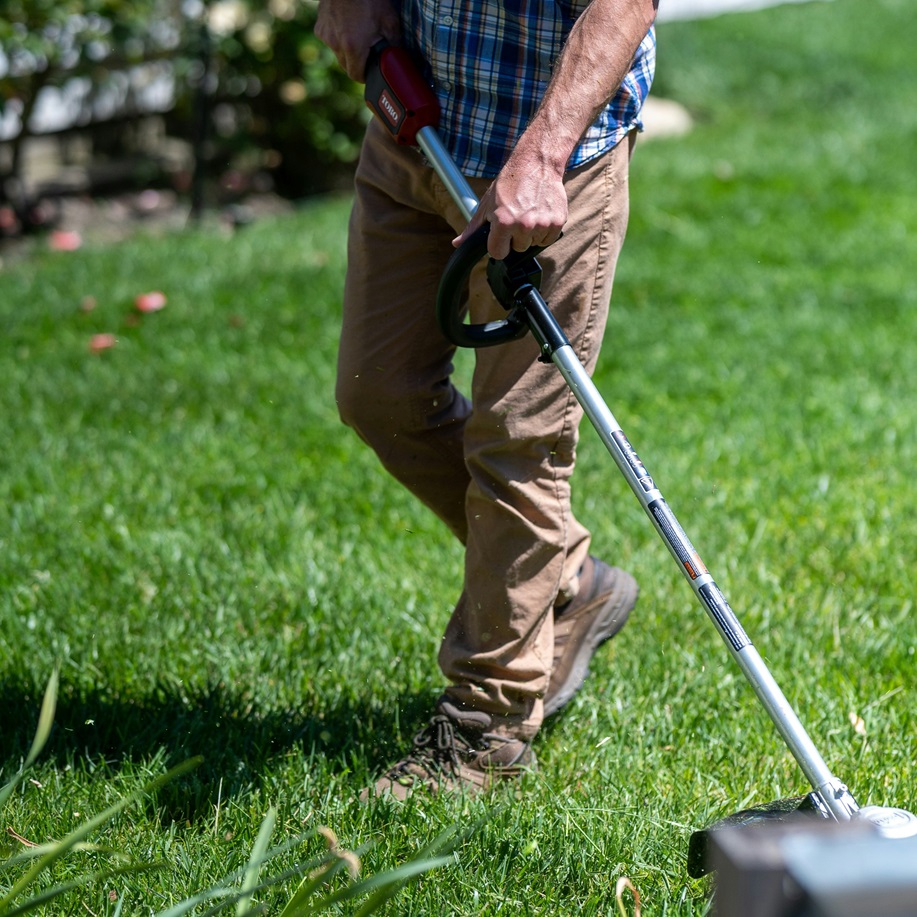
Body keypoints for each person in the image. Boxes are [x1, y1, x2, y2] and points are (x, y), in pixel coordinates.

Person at [315, 0, 657, 799]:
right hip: (417, 122)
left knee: (516, 440)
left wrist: (541, 156)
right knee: (381, 397)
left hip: (551, 163)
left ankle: (487, 727)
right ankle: (569, 576)